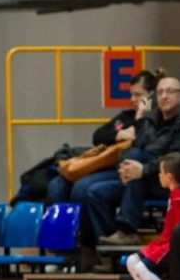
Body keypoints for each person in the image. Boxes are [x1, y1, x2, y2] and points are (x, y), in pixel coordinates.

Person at [81, 77, 180, 271]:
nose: (164, 96)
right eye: (160, 92)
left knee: (139, 171)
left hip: (169, 181)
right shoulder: (149, 120)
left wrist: (143, 170)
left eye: (170, 91)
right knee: (94, 192)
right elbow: (133, 148)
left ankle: (127, 230)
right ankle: (109, 258)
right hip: (143, 180)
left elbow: (178, 160)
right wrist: (126, 166)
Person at [45, 70, 160, 205]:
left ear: (151, 97)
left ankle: (84, 226)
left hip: (124, 170)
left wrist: (141, 116)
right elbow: (98, 135)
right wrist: (119, 134)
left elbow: (138, 144)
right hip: (104, 162)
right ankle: (60, 225)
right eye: (131, 94)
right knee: (57, 185)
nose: (132, 99)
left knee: (81, 187)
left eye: (138, 95)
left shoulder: (155, 121)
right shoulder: (125, 116)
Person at [123, 153, 180, 280]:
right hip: (162, 242)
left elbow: (179, 231)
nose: (159, 176)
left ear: (169, 177)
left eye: (161, 172)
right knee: (131, 261)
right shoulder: (174, 194)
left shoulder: (179, 197)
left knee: (141, 267)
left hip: (169, 245)